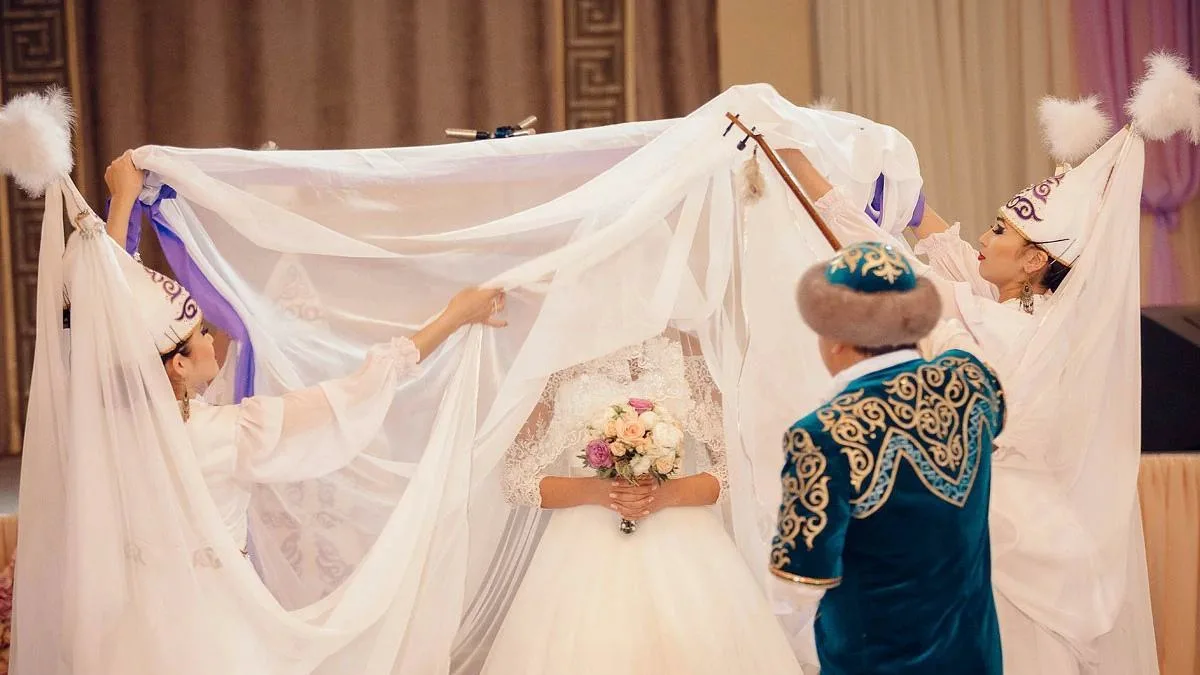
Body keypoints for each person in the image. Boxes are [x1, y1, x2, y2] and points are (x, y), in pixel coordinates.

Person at [776, 68, 1183, 671]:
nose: (984, 240)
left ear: (1034, 261)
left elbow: (891, 263)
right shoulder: (1032, 313)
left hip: (990, 514)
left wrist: (796, 162)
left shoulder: (997, 322)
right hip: (1042, 517)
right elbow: (948, 248)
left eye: (998, 232)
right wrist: (913, 206)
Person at [87, 152, 507, 559]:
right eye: (202, 333)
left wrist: (123, 203)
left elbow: (111, 324)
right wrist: (454, 316)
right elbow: (357, 392)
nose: (215, 336)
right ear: (178, 363)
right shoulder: (223, 433)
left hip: (144, 596)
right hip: (212, 598)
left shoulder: (111, 425)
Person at [480, 332, 804, 675]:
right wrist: (599, 491)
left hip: (685, 541)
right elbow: (516, 480)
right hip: (583, 544)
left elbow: (735, 470)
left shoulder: (687, 349)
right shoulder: (559, 356)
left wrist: (665, 493)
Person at [771, 240, 1006, 674]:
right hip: (974, 656)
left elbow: (799, 583)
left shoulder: (822, 434)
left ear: (836, 339)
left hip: (878, 662)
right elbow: (957, 346)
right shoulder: (972, 383)